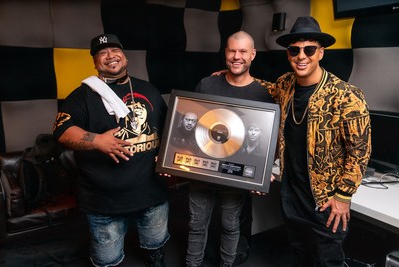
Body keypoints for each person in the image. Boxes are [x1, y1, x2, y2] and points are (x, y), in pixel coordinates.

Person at [261, 16, 372, 266]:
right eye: (295, 50)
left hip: (325, 202)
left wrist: (343, 196)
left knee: (327, 261)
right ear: (289, 54)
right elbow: (267, 88)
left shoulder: (347, 96)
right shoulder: (286, 84)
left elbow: (360, 151)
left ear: (320, 53)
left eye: (309, 49)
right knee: (301, 255)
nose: (302, 56)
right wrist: (233, 73)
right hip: (292, 195)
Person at [52, 34, 170, 267]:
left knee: (155, 242)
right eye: (102, 53)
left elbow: (169, 128)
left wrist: (168, 158)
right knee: (108, 258)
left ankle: (154, 255)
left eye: (115, 50)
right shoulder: (82, 96)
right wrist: (97, 141)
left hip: (151, 192)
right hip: (104, 200)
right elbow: (62, 131)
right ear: (95, 62)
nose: (110, 56)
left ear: (124, 57)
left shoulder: (149, 89)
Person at [185, 31, 274, 267]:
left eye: (243, 51)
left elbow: (263, 140)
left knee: (230, 226)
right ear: (225, 53)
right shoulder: (207, 83)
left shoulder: (263, 94)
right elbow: (191, 125)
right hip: (202, 172)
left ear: (252, 55)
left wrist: (261, 175)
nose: (237, 56)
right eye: (232, 50)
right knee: (196, 225)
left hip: (234, 174)